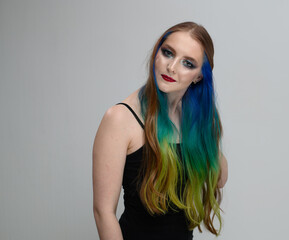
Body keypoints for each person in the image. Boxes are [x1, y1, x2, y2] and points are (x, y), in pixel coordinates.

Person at [92, 21, 228, 240]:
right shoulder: (119, 119)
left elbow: (219, 178)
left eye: (187, 63)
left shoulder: (194, 119)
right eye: (167, 53)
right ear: (157, 52)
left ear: (198, 77)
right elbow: (103, 213)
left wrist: (202, 124)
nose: (172, 67)